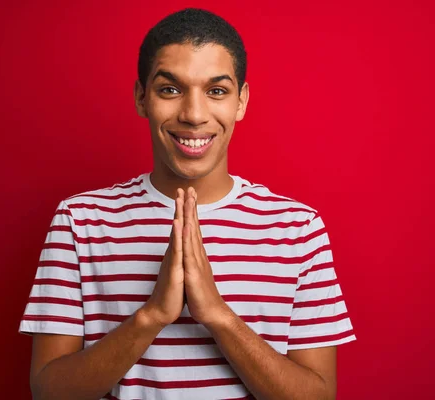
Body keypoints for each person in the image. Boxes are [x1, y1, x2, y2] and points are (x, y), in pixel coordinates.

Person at [19, 7, 356, 400]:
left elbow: (319, 396)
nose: (194, 115)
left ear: (241, 101)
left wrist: (218, 315)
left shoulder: (297, 228)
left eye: (216, 91)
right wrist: (153, 315)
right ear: (141, 97)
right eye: (170, 89)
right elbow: (48, 392)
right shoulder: (79, 221)